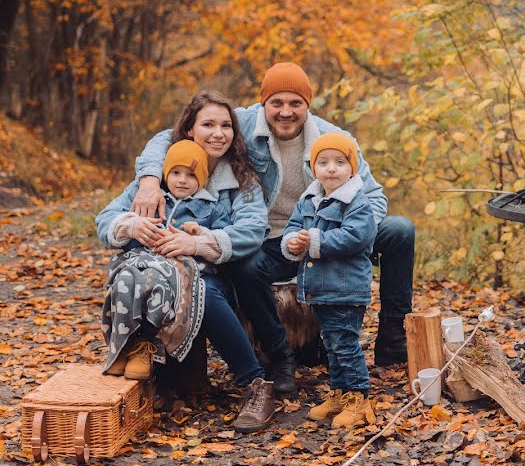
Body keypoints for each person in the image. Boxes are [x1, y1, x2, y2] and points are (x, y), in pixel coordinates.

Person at [131, 63, 415, 392]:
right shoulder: (243, 123)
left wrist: (339, 233)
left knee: (399, 231)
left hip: (329, 231)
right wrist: (150, 180)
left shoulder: (333, 140)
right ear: (263, 103)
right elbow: (169, 136)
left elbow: (374, 198)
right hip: (270, 238)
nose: (285, 112)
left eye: (295, 103)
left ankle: (393, 342)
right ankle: (278, 353)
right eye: (276, 102)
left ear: (308, 106)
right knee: (246, 266)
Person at [114, 92, 278, 433]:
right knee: (134, 278)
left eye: (226, 125)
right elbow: (107, 218)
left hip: (209, 269)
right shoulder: (158, 174)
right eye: (208, 124)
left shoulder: (241, 178)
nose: (218, 133)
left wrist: (198, 242)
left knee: (204, 292)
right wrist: (132, 225)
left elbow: (252, 228)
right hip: (156, 270)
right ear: (190, 129)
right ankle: (140, 360)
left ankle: (256, 384)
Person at [97, 139, 228, 381]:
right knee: (125, 280)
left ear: (202, 179)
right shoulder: (149, 197)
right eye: (175, 173)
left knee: (155, 283)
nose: (181, 180)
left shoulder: (210, 207)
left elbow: (220, 240)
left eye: (190, 175)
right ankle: (124, 345)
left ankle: (145, 345)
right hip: (139, 261)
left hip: (181, 267)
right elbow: (104, 221)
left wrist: (200, 236)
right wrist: (131, 225)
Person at [282, 133, 377, 428]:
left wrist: (314, 239)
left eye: (339, 162)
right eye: (323, 162)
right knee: (332, 344)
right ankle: (339, 394)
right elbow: (294, 228)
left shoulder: (356, 203)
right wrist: (293, 242)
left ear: (352, 167)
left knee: (346, 344)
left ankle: (359, 398)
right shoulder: (308, 200)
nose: (331, 168)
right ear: (314, 167)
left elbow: (355, 236)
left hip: (346, 289)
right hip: (320, 289)